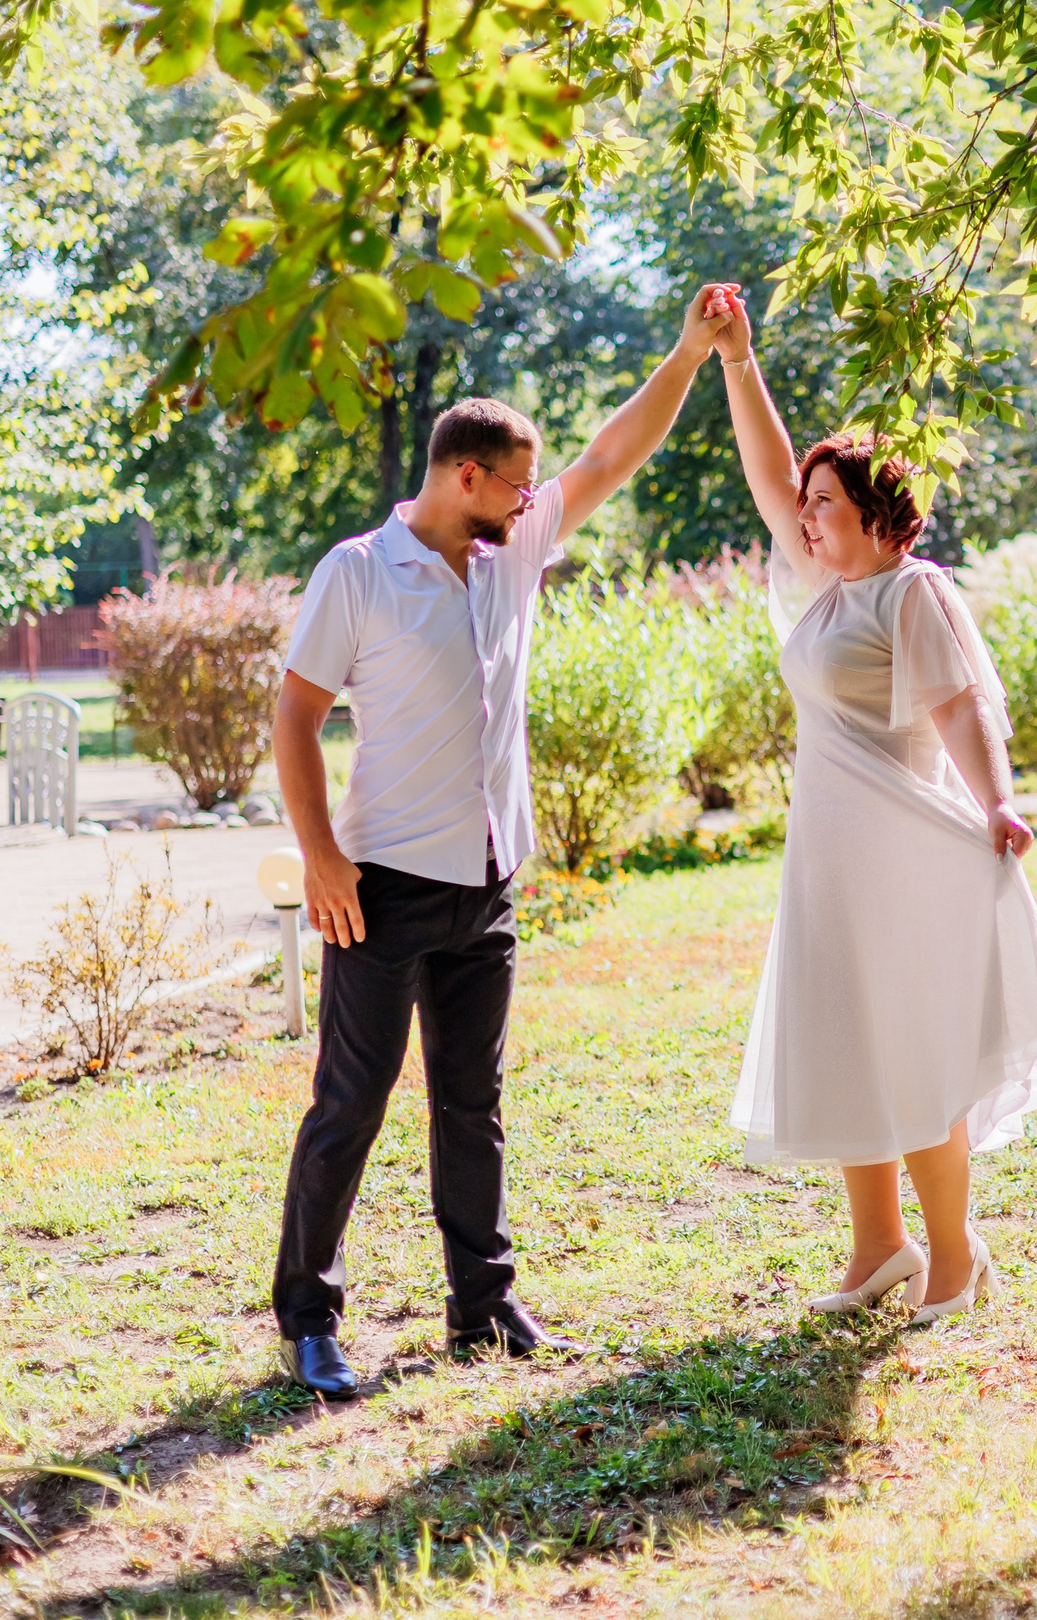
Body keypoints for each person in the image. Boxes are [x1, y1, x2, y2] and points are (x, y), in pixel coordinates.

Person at [265, 285, 738, 1400]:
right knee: (352, 1104)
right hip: (376, 887)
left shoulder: (513, 548)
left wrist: (687, 353)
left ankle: (482, 1306)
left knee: (471, 1105)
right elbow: (293, 714)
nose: (537, 500)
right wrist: (321, 857)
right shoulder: (358, 572)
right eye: (518, 483)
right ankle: (307, 1322)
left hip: (487, 881)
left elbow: (615, 451)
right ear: (461, 476)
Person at [712, 292, 1037, 1327]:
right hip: (830, 861)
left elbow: (961, 708)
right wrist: (740, 362)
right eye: (807, 504)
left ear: (878, 514)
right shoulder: (827, 591)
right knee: (848, 1041)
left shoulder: (910, 594)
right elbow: (763, 470)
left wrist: (1000, 804)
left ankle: (956, 1260)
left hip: (901, 856)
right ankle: (880, 1248)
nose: (805, 515)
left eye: (824, 503)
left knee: (913, 1049)